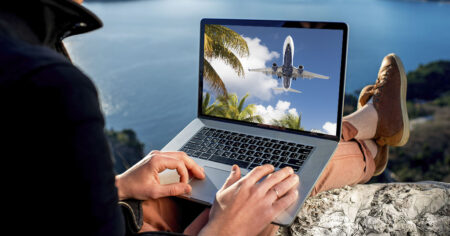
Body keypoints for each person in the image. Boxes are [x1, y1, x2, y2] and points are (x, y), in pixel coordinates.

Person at [0, 1, 409, 236]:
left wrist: (117, 186)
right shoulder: (50, 87)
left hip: (129, 217)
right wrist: (225, 228)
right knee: (280, 184)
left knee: (274, 157)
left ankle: (372, 122)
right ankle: (373, 135)